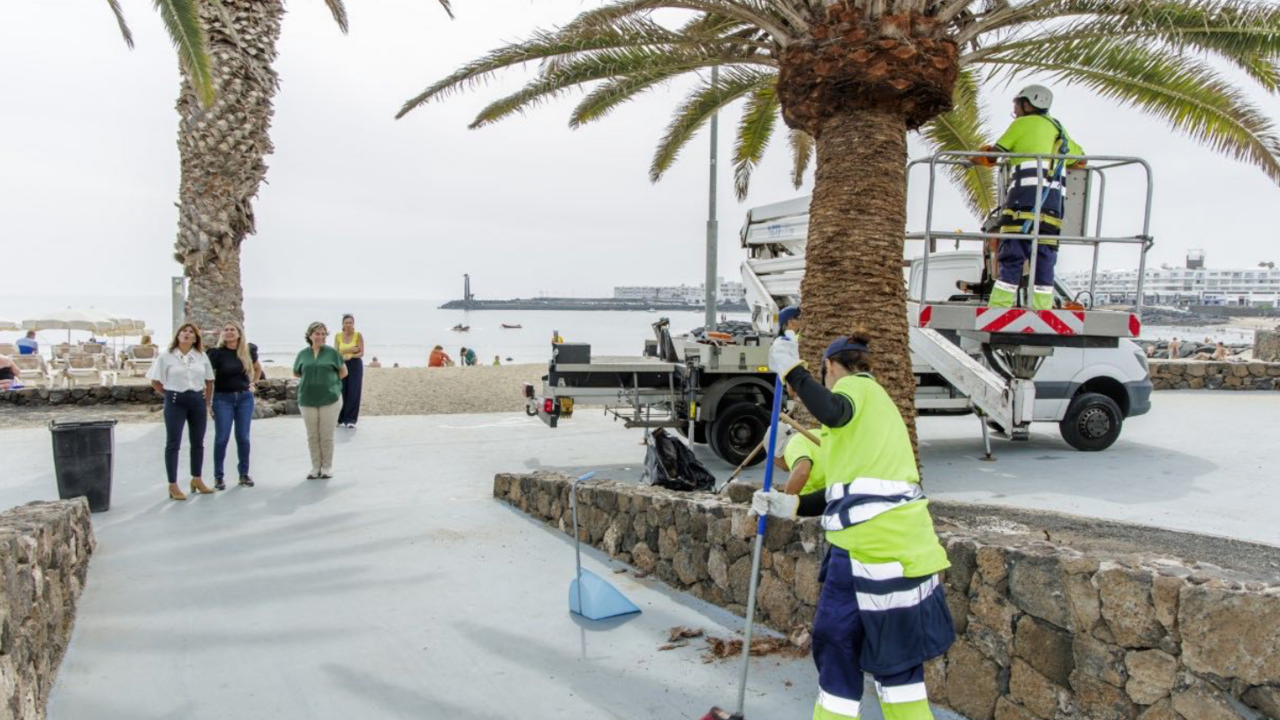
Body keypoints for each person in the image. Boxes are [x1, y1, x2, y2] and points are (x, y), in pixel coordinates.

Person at [755, 330, 954, 720]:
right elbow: (837, 491)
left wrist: (792, 370)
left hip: (869, 550)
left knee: (835, 644)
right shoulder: (868, 423)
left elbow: (832, 408)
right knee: (898, 666)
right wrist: (788, 505)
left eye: (823, 374)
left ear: (830, 368)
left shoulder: (861, 389)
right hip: (906, 553)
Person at [974, 84, 1084, 310]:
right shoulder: (1059, 129)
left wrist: (977, 156)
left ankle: (1000, 307)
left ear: (1028, 104)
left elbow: (996, 153)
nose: (1014, 108)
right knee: (1044, 259)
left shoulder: (1022, 124)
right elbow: (1081, 160)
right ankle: (1042, 309)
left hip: (1022, 203)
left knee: (1012, 255)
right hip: (1052, 210)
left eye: (1017, 103)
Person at [148, 323, 216, 501]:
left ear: (195, 338)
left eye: (191, 332)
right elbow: (155, 381)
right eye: (183, 331)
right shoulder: (166, 356)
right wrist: (170, 393)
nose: (187, 334)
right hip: (175, 402)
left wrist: (207, 402)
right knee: (173, 443)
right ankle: (173, 484)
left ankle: (197, 479)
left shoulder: (201, 356)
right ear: (177, 336)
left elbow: (209, 381)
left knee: (198, 442)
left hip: (197, 402)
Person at [207, 321, 262, 490]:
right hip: (222, 399)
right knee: (222, 438)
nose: (229, 332)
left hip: (245, 398)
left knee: (243, 438)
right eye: (226, 330)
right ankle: (218, 477)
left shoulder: (248, 351)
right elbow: (207, 377)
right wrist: (208, 402)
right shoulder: (216, 353)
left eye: (232, 330)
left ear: (239, 333)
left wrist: (253, 384)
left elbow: (258, 369)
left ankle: (244, 475)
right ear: (222, 334)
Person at [294, 322, 346, 479]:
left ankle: (327, 467)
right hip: (307, 399)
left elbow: (343, 372)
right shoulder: (302, 354)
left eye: (323, 334)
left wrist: (328, 382)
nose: (321, 336)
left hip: (330, 398)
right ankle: (315, 467)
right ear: (310, 335)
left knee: (326, 435)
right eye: (317, 333)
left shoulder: (332, 353)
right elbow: (297, 373)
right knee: (312, 435)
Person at [334, 314, 365, 428]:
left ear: (353, 324)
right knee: (341, 392)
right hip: (342, 364)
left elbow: (361, 353)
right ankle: (339, 419)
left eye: (350, 322)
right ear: (342, 324)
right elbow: (335, 352)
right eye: (346, 322)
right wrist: (352, 349)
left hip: (355, 364)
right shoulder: (338, 336)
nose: (348, 324)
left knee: (354, 392)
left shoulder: (358, 335)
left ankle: (350, 419)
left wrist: (351, 355)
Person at [781, 428, 827, 496]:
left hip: (835, 493)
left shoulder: (793, 444)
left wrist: (786, 502)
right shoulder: (816, 433)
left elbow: (802, 473)